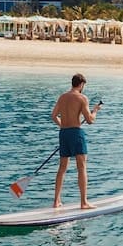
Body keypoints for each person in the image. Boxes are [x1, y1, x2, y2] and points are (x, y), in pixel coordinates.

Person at [50, 73, 103, 209]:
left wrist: (63, 125)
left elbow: (54, 116)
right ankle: (84, 202)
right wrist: (95, 111)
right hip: (76, 133)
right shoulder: (82, 98)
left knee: (62, 168)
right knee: (81, 167)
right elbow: (90, 120)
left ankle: (56, 201)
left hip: (63, 133)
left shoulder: (62, 97)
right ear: (81, 84)